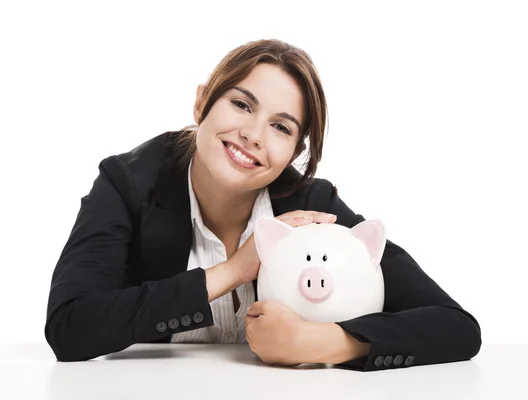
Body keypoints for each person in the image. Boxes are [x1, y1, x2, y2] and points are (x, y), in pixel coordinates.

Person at [44, 39, 481, 371]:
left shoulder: (313, 204)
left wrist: (326, 343)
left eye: (280, 127)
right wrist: (235, 269)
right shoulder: (127, 185)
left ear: (294, 152)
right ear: (202, 102)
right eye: (240, 104)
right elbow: (69, 328)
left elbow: (455, 326)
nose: (253, 134)